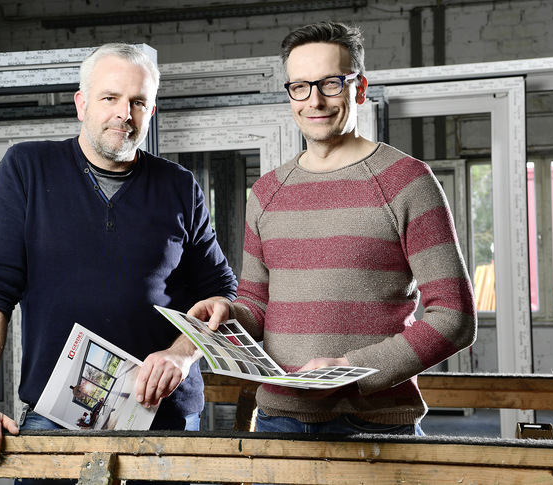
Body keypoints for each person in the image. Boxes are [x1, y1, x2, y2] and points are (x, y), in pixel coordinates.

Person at [0, 43, 237, 465]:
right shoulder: (27, 168)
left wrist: (182, 354)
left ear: (151, 111)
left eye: (138, 102)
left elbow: (222, 294)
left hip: (165, 419)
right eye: (110, 98)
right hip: (57, 416)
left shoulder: (179, 185)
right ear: (81, 103)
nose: (124, 113)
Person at [189, 21, 477, 436]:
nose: (315, 101)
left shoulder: (407, 181)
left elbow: (455, 317)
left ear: (359, 88)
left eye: (330, 84)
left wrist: (351, 371)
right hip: (279, 422)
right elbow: (257, 303)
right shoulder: (267, 191)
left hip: (375, 426)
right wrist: (228, 312)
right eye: (300, 87)